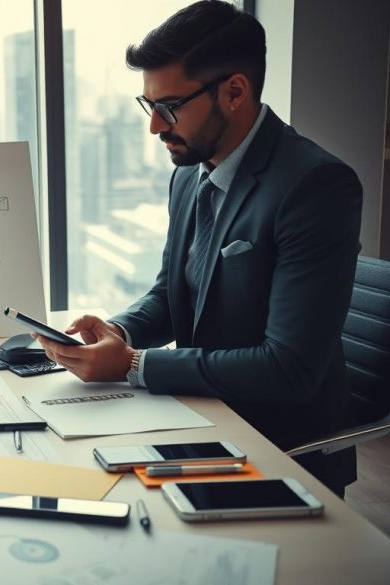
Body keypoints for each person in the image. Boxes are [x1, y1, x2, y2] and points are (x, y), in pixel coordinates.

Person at [35, 1, 361, 496]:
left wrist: (133, 365)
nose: (155, 126)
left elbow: (288, 370)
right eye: (149, 106)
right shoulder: (189, 175)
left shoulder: (316, 186)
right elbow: (172, 292)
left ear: (234, 91)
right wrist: (116, 332)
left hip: (279, 448)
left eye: (169, 108)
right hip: (197, 416)